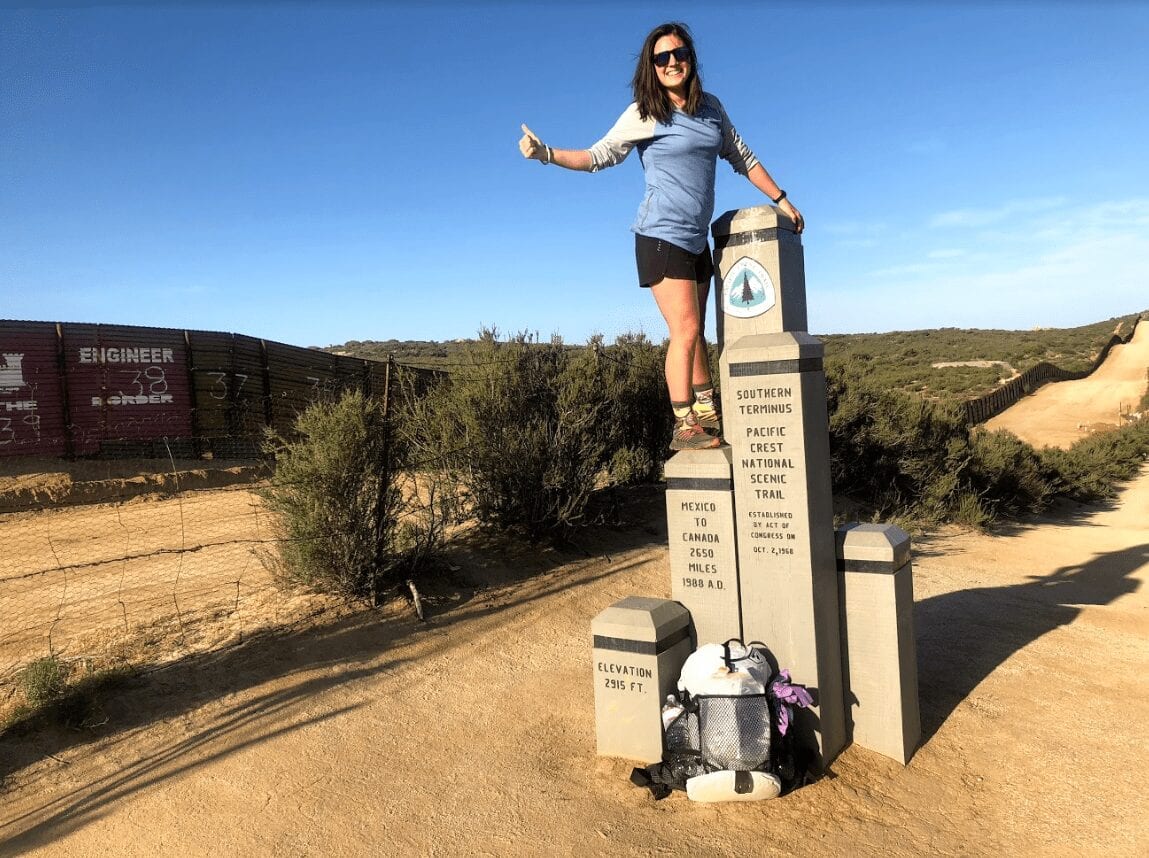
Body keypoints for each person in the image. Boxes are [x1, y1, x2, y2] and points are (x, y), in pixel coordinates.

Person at [519, 21, 805, 451]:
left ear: (691, 58)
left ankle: (708, 414)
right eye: (662, 58)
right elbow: (599, 156)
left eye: (680, 54)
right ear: (651, 67)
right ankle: (683, 423)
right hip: (659, 237)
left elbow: (742, 156)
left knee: (697, 333)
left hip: (696, 239)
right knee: (685, 330)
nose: (672, 62)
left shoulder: (711, 109)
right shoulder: (644, 113)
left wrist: (781, 198)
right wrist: (547, 154)